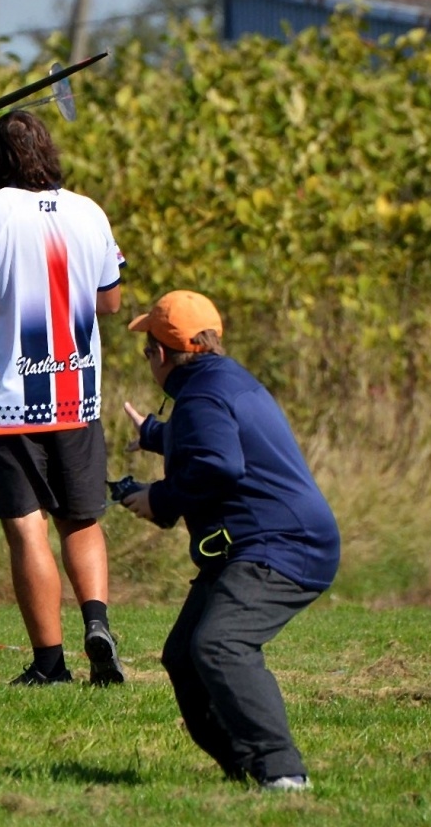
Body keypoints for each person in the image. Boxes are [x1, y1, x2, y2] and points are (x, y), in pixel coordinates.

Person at [0, 109, 125, 687]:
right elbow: (110, 303)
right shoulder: (89, 211)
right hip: (76, 397)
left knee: (26, 527)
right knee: (80, 520)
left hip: (2, 403)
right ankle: (97, 622)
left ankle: (50, 663)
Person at [119, 290, 340, 790]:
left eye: (146, 350)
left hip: (283, 546)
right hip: (263, 541)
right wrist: (156, 434)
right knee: (183, 657)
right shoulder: (220, 380)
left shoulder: (201, 394)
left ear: (159, 353)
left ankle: (283, 774)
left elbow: (219, 463)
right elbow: (209, 435)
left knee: (221, 644)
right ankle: (246, 771)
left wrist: (161, 499)